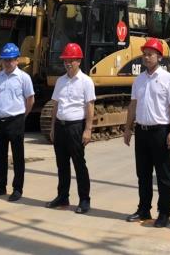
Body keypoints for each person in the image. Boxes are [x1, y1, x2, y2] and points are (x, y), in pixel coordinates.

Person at [123, 38, 170, 228]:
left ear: (159, 57)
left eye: (150, 54)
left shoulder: (168, 79)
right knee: (143, 174)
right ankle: (143, 209)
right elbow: (133, 105)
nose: (146, 57)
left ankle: (164, 213)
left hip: (160, 132)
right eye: (144, 54)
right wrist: (128, 128)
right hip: (142, 131)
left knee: (163, 176)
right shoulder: (139, 80)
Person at [45, 43, 95, 214]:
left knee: (79, 164)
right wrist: (52, 127)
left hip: (76, 127)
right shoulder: (60, 81)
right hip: (60, 126)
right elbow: (56, 105)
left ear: (78, 61)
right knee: (62, 164)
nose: (68, 64)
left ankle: (84, 199)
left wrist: (88, 129)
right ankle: (62, 196)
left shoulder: (86, 81)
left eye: (71, 60)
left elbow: (90, 106)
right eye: (65, 60)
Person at [0, 43, 34, 202]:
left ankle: (17, 189)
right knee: (0, 155)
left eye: (11, 60)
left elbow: (30, 100)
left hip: (16, 120)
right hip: (0, 120)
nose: (8, 63)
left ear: (17, 60)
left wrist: (23, 116)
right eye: (5, 60)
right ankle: (1, 186)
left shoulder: (24, 78)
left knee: (18, 156)